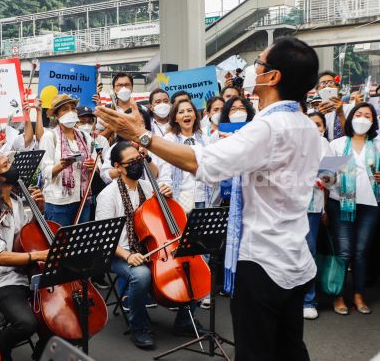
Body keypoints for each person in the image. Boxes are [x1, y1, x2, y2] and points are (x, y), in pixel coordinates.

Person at [97, 36, 320, 361]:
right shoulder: (306, 127)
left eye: (258, 62)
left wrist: (139, 135)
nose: (251, 68)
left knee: (256, 352)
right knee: (289, 349)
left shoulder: (268, 129)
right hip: (295, 257)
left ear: (272, 77)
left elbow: (200, 163)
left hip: (264, 262)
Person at [95, 141, 203, 348]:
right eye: (131, 162)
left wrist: (168, 199)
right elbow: (103, 241)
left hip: (151, 249)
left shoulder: (147, 187)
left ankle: (183, 321)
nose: (137, 164)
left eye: (139, 159)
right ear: (118, 166)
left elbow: (166, 219)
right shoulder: (107, 196)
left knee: (193, 265)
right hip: (118, 253)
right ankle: (139, 326)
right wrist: (127, 256)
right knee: (141, 274)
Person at [0, 151, 48, 361]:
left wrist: (40, 208)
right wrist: (38, 256)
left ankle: (41, 354)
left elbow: (26, 237)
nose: (12, 167)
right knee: (27, 323)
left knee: (56, 318)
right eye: (6, 165)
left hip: (27, 273)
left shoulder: (16, 200)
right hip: (1, 281)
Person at [326, 102, 379, 316]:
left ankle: (358, 294)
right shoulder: (338, 144)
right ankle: (337, 295)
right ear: (351, 117)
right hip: (340, 203)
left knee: (360, 252)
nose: (363, 118)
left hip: (370, 204)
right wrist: (334, 175)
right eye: (359, 114)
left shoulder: (377, 145)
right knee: (344, 251)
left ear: (374, 121)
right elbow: (325, 178)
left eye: (368, 115)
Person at [39, 94, 96, 226]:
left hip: (83, 199)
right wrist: (61, 165)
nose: (70, 112)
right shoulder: (50, 136)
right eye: (65, 109)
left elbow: (95, 161)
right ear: (56, 115)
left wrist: (91, 165)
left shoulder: (84, 136)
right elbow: (45, 172)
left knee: (80, 243)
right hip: (58, 203)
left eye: (72, 108)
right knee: (60, 244)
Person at [302, 110, 333, 320]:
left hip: (312, 207)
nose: (315, 128)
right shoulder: (296, 142)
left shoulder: (325, 146)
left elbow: (332, 178)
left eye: (319, 125)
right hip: (288, 206)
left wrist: (325, 180)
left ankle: (308, 300)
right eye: (311, 123)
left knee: (309, 251)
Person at [158, 99, 212, 213]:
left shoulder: (205, 139)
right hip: (180, 199)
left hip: (204, 198)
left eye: (189, 111)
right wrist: (166, 187)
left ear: (195, 116)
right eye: (181, 112)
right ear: (175, 118)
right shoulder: (169, 140)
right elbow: (165, 172)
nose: (186, 114)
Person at [316, 71, 353, 141]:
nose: (327, 85)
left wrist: (340, 113)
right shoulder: (313, 113)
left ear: (337, 87)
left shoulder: (348, 108)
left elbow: (350, 135)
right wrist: (319, 116)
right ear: (317, 90)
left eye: (331, 82)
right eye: (323, 83)